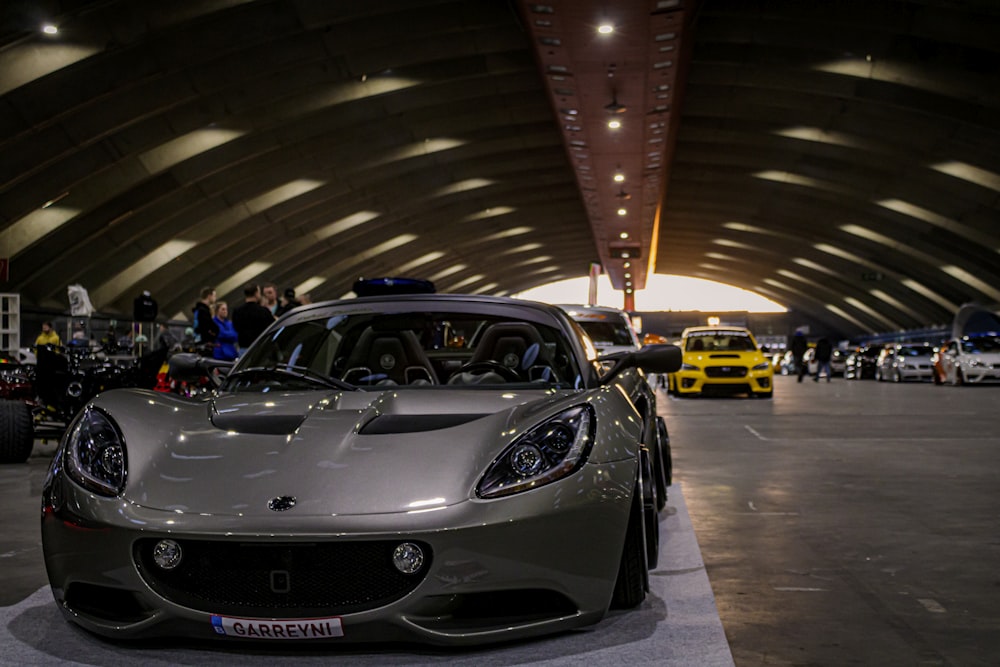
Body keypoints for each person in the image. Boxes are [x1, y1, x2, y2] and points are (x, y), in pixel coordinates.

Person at [231, 283, 275, 350]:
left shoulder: (237, 311)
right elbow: (272, 327)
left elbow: (236, 328)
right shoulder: (263, 311)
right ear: (256, 293)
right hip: (260, 348)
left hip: (244, 348)